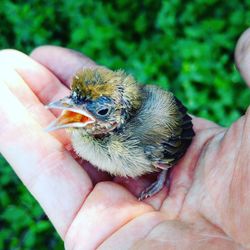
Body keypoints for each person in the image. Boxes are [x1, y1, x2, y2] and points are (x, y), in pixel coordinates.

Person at [0, 28, 249, 249]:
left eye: (103, 111)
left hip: (165, 131)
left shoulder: (145, 138)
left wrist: (163, 173)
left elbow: (183, 136)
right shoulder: (87, 130)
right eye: (73, 98)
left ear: (120, 115)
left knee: (161, 155)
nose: (67, 106)